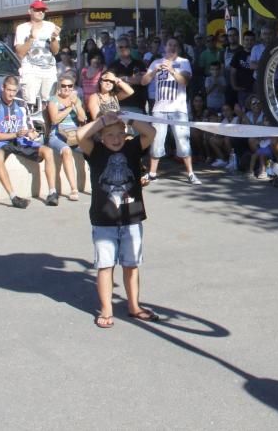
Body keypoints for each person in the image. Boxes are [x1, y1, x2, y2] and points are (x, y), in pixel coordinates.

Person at [78, 111, 159, 329]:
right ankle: (106, 310)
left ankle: (134, 306)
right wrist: (103, 121)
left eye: (120, 134)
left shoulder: (132, 148)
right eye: (110, 134)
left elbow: (151, 132)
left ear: (126, 134)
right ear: (101, 137)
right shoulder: (95, 151)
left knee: (131, 266)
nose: (116, 139)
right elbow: (80, 136)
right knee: (105, 266)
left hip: (131, 218)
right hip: (104, 220)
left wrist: (129, 118)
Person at [0, 75, 59, 208]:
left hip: (21, 140)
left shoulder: (21, 103)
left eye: (14, 91)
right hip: (3, 141)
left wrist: (32, 133)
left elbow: (29, 128)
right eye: (9, 90)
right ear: (2, 88)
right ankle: (13, 197)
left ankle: (52, 192)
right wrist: (14, 134)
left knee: (48, 151)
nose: (11, 94)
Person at [141, 38, 201, 185]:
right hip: (159, 109)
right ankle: (153, 173)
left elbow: (184, 81)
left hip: (178, 109)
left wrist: (172, 70)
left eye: (175, 45)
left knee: (183, 141)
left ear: (178, 48)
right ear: (165, 47)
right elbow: (144, 81)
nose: (172, 47)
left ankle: (191, 173)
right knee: (156, 141)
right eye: (169, 45)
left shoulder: (184, 62)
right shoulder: (156, 62)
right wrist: (155, 70)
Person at [46, 72, 88, 202]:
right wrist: (69, 107)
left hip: (74, 134)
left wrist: (76, 105)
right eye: (64, 86)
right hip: (57, 134)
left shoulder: (76, 99)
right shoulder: (53, 100)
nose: (67, 89)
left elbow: (82, 119)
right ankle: (74, 188)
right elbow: (54, 120)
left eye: (70, 86)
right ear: (59, 86)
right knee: (66, 151)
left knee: (94, 149)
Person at [13, 0, 61, 107]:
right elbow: (20, 53)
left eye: (43, 10)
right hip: (30, 69)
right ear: (30, 11)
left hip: (49, 69)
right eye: (38, 10)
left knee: (50, 102)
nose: (41, 12)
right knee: (29, 102)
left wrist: (53, 39)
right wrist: (31, 38)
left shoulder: (50, 26)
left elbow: (56, 51)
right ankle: (29, 123)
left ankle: (48, 124)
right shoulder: (22, 28)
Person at [107, 39, 147, 115]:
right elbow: (111, 84)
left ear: (130, 48)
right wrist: (133, 80)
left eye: (126, 46)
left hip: (138, 106)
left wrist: (123, 79)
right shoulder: (112, 66)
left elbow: (142, 81)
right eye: (121, 47)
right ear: (117, 49)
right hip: (119, 107)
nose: (123, 49)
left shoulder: (139, 63)